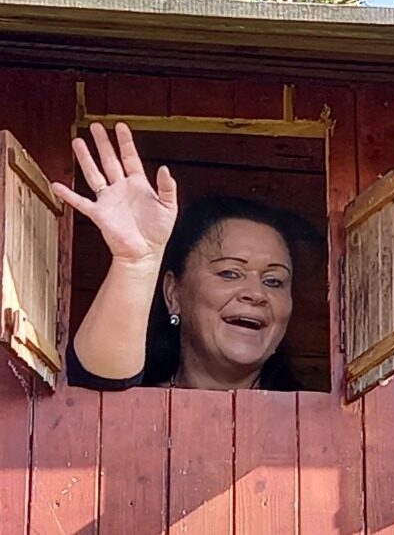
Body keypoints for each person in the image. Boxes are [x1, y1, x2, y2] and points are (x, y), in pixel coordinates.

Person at [53, 122, 304, 391]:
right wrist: (135, 264)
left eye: (273, 281)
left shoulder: (317, 416)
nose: (256, 294)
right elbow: (98, 392)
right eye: (230, 273)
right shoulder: (134, 403)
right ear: (173, 293)